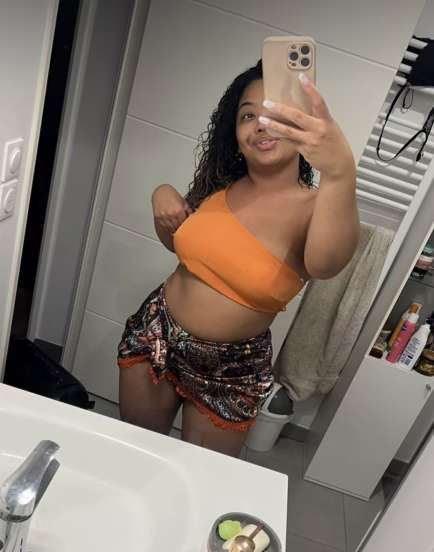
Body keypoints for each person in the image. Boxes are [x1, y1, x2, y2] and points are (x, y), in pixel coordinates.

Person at [118, 60, 359, 457]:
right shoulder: (221, 183)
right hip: (157, 332)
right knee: (136, 451)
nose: (261, 125)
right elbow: (182, 248)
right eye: (248, 116)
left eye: (275, 115)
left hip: (230, 369)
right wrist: (161, 197)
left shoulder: (318, 207)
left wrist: (340, 172)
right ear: (235, 131)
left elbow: (326, 264)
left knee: (202, 475)